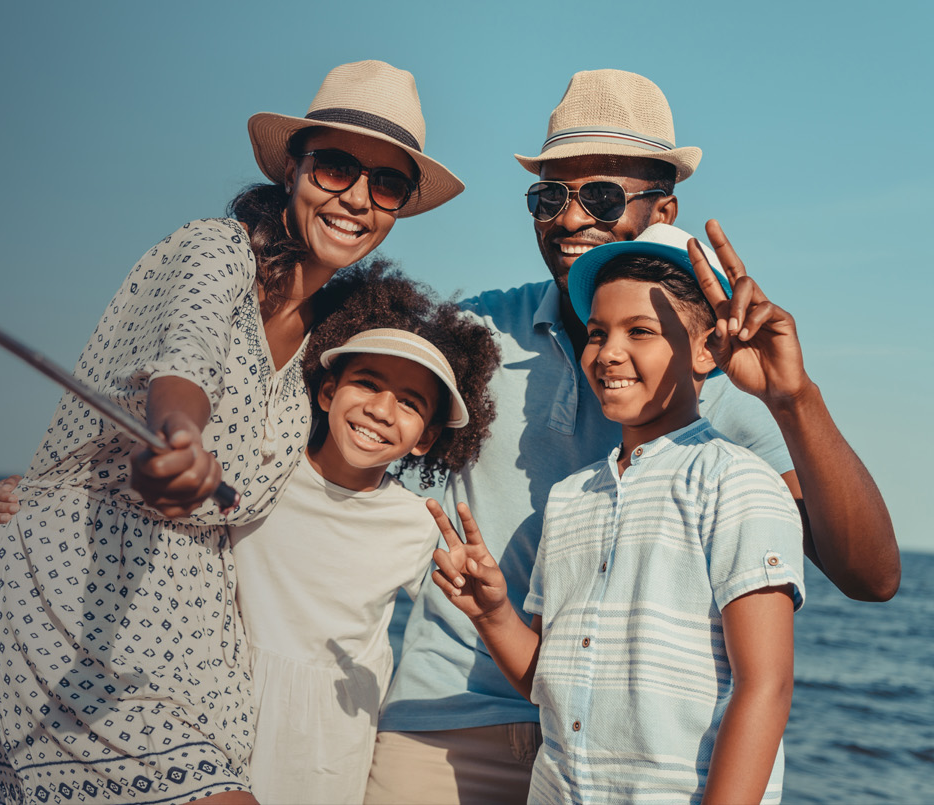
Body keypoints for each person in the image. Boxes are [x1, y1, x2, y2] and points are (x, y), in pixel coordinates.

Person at [365, 69, 899, 804]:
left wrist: (793, 400)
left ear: (664, 208)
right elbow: (349, 410)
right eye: (549, 195)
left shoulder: (722, 381)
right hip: (450, 720)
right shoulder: (477, 331)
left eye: (603, 195)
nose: (569, 216)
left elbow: (871, 577)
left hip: (639, 754)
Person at [0, 61, 464, 805]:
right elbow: (182, 369)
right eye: (335, 166)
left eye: (386, 183)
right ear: (292, 167)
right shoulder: (215, 252)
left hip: (198, 629)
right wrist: (177, 439)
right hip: (84, 588)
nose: (357, 197)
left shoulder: (323, 343)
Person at [432, 222, 804, 803]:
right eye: (598, 332)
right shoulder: (570, 498)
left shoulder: (739, 482)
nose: (608, 353)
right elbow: (553, 685)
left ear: (706, 351)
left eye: (641, 331)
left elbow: (766, 686)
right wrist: (494, 613)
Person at [232, 264, 498, 805]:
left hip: (333, 733)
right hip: (227, 698)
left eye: (410, 402)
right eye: (368, 383)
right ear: (327, 390)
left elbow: (460, 617)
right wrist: (35, 496)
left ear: (425, 440)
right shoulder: (259, 469)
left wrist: (484, 599)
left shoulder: (418, 523)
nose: (381, 409)